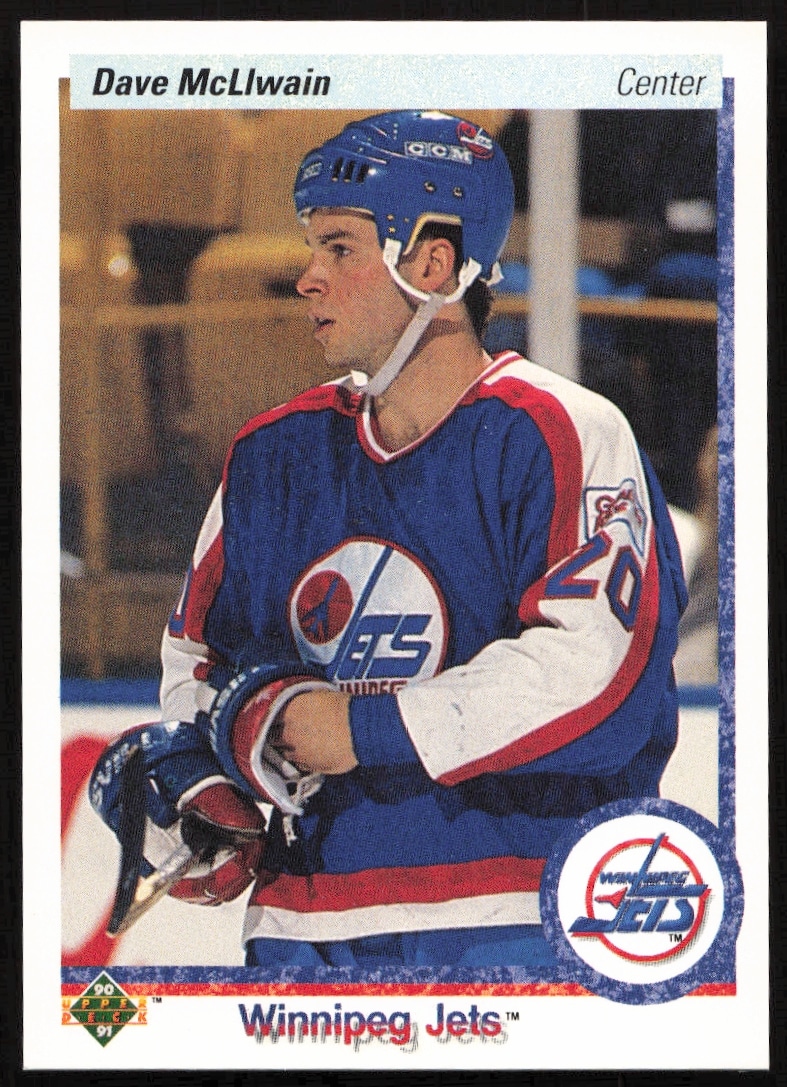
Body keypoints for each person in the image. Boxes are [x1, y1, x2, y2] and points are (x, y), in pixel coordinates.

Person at [90, 111, 688, 969]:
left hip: (522, 914)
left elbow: (597, 675)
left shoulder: (561, 430)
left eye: (339, 248)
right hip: (305, 927)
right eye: (312, 248)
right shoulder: (271, 455)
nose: (307, 278)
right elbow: (199, 660)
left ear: (433, 265)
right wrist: (209, 769)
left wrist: (361, 727)